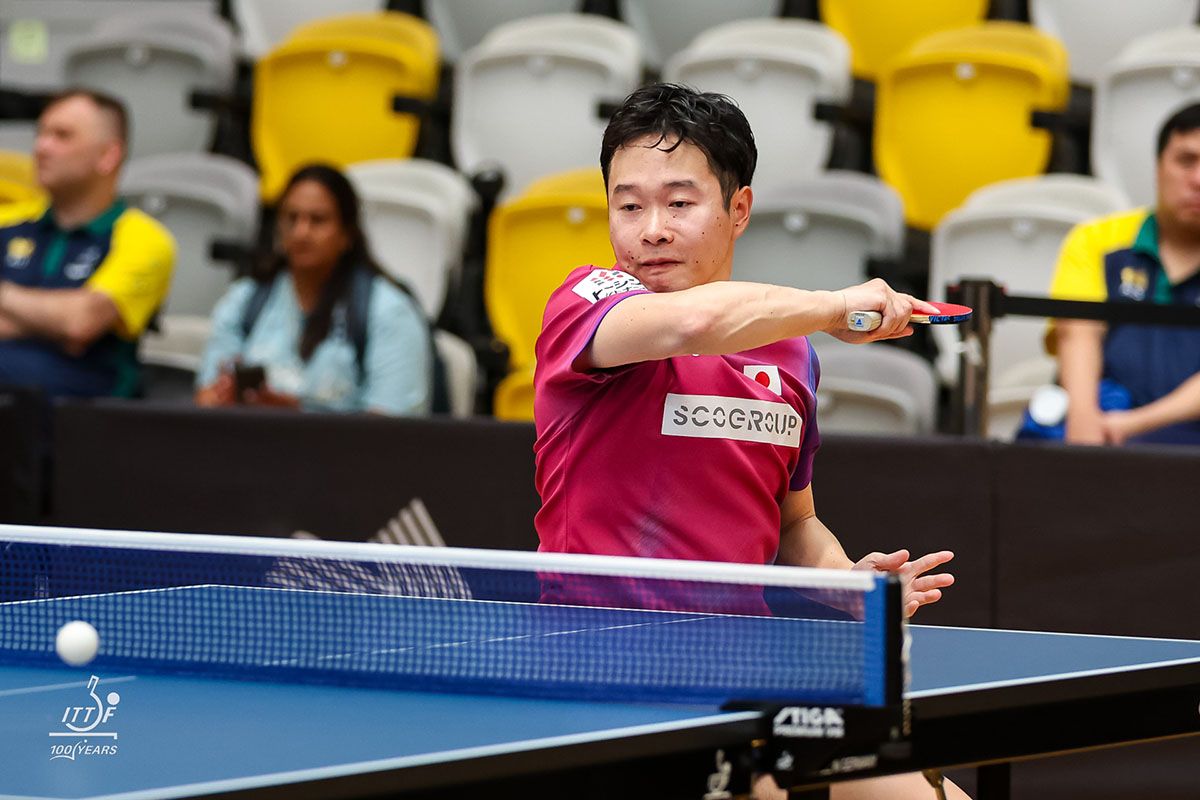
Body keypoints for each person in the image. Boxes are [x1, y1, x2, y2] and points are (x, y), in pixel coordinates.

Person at [532, 84, 964, 799]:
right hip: (606, 670)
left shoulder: (791, 356)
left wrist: (848, 582)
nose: (652, 230)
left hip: (747, 674)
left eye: (679, 203)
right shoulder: (586, 306)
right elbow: (691, 324)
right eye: (628, 206)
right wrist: (834, 306)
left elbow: (794, 522)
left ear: (739, 209)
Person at [195, 164, 431, 415]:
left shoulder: (390, 311)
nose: (301, 232)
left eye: (317, 220)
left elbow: (392, 429)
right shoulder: (244, 299)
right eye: (291, 218)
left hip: (340, 443)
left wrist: (296, 417)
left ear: (347, 233)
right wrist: (223, 396)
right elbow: (205, 398)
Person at [0, 89, 174, 398]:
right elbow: (70, 325)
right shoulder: (8, 221)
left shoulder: (145, 238)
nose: (41, 147)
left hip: (85, 412)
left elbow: (81, 322)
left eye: (62, 136)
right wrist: (53, 323)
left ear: (108, 156)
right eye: (40, 134)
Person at [1049, 103, 1200, 446]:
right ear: (1158, 168)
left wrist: (1131, 425)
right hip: (1102, 432)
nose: (1197, 179)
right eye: (1186, 161)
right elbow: (1077, 334)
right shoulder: (1094, 240)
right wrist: (1084, 422)